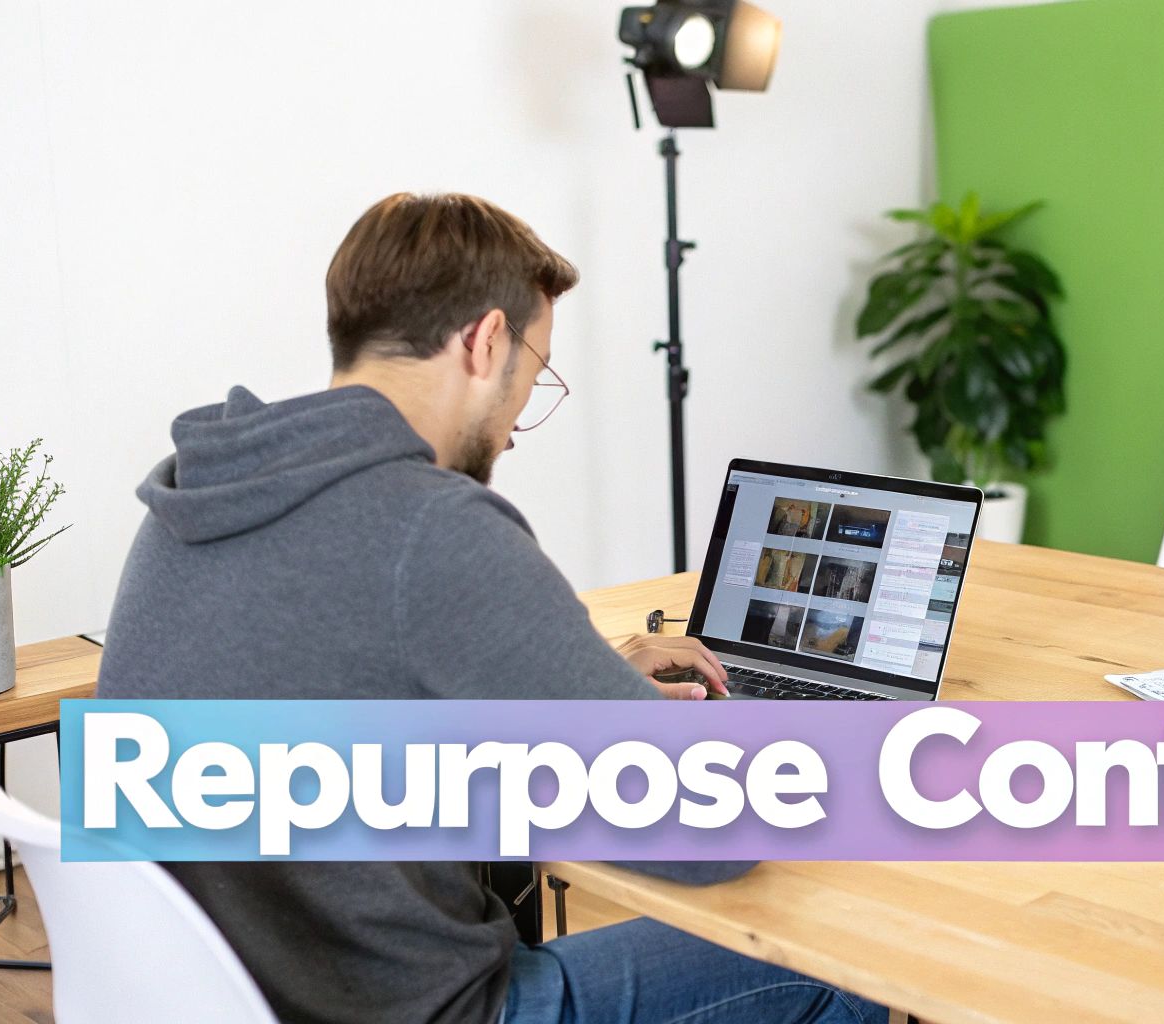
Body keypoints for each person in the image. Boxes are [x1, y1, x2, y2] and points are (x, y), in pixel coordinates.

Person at [96, 193, 885, 1024]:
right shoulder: (433, 525)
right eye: (535, 375)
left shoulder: (197, 491)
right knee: (844, 957)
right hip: (426, 1011)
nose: (516, 427)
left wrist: (581, 691)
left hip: (223, 998)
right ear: (485, 341)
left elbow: (331, 688)